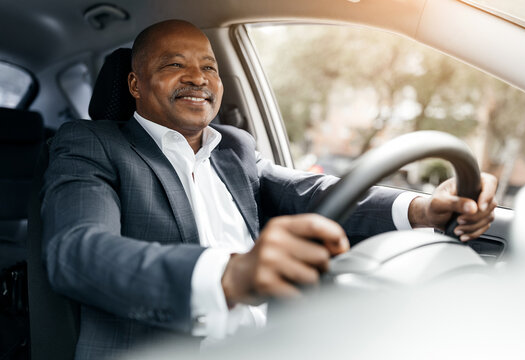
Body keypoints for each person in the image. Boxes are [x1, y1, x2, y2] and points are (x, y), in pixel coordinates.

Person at [41, 19, 498, 358]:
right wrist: (230, 274)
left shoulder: (234, 148)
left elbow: (311, 192)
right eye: (174, 64)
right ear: (135, 84)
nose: (198, 78)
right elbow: (77, 251)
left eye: (209, 67)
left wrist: (421, 208)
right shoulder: (93, 144)